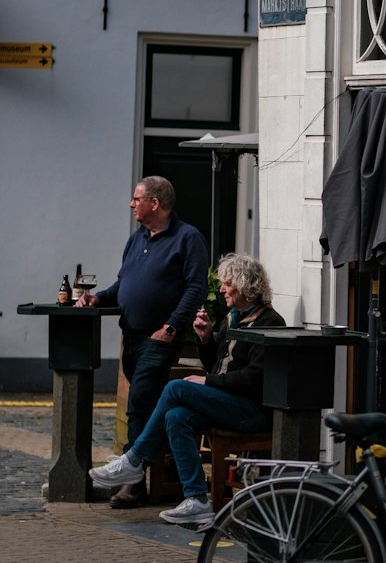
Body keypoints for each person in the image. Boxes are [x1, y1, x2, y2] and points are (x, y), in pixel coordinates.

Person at [88, 253, 285, 525]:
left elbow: (254, 379)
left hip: (249, 410)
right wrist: (206, 339)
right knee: (175, 416)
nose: (223, 289)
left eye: (228, 284)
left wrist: (208, 382)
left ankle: (134, 460)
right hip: (225, 401)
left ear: (245, 285)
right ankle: (197, 499)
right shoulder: (232, 317)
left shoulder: (271, 322)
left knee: (175, 388)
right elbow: (216, 364)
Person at [77, 175, 208, 508]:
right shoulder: (137, 239)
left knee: (138, 403)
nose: (132, 204)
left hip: (158, 337)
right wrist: (99, 298)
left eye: (137, 199)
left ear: (156, 202)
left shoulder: (187, 238)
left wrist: (171, 328)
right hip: (131, 337)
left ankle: (132, 479)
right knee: (144, 407)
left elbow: (195, 288)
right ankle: (165, 475)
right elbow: (124, 284)